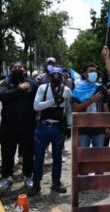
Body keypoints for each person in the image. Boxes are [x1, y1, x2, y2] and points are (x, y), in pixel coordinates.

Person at [28, 67, 72, 196]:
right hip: (43, 127)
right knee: (39, 157)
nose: (56, 77)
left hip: (58, 128)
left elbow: (68, 110)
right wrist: (53, 101)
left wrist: (69, 126)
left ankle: (56, 182)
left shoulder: (67, 91)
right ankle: (36, 184)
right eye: (53, 74)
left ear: (63, 76)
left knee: (57, 157)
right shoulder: (43, 88)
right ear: (49, 76)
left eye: (59, 74)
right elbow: (36, 106)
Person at [0, 62, 37, 191]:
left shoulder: (32, 83)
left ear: (25, 70)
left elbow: (38, 99)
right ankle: (6, 177)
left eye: (20, 67)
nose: (18, 69)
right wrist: (19, 89)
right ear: (10, 70)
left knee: (28, 153)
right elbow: (2, 95)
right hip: (8, 125)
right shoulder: (5, 83)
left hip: (28, 125)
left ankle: (28, 176)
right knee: (7, 153)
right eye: (14, 68)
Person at [71, 64, 110, 148]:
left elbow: (105, 108)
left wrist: (107, 126)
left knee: (98, 156)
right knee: (83, 155)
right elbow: (75, 109)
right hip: (83, 128)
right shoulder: (77, 90)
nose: (94, 73)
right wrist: (91, 100)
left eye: (95, 71)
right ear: (85, 74)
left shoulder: (101, 88)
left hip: (99, 127)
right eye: (91, 71)